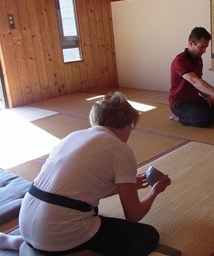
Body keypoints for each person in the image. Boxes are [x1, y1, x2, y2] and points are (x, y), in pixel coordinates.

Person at [18, 91, 171, 255]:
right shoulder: (121, 150)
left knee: (89, 211)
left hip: (26, 222)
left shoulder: (72, 136)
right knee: (147, 235)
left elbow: (79, 191)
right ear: (127, 123)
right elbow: (133, 215)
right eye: (132, 127)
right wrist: (155, 191)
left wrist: (124, 187)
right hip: (58, 236)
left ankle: (22, 243)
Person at [169, 27, 214, 127]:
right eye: (201, 47)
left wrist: (208, 96)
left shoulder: (198, 59)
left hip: (194, 99)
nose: (204, 51)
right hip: (180, 103)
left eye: (206, 47)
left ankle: (194, 114)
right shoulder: (180, 60)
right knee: (207, 120)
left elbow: (199, 82)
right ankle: (178, 117)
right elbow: (195, 81)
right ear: (191, 43)